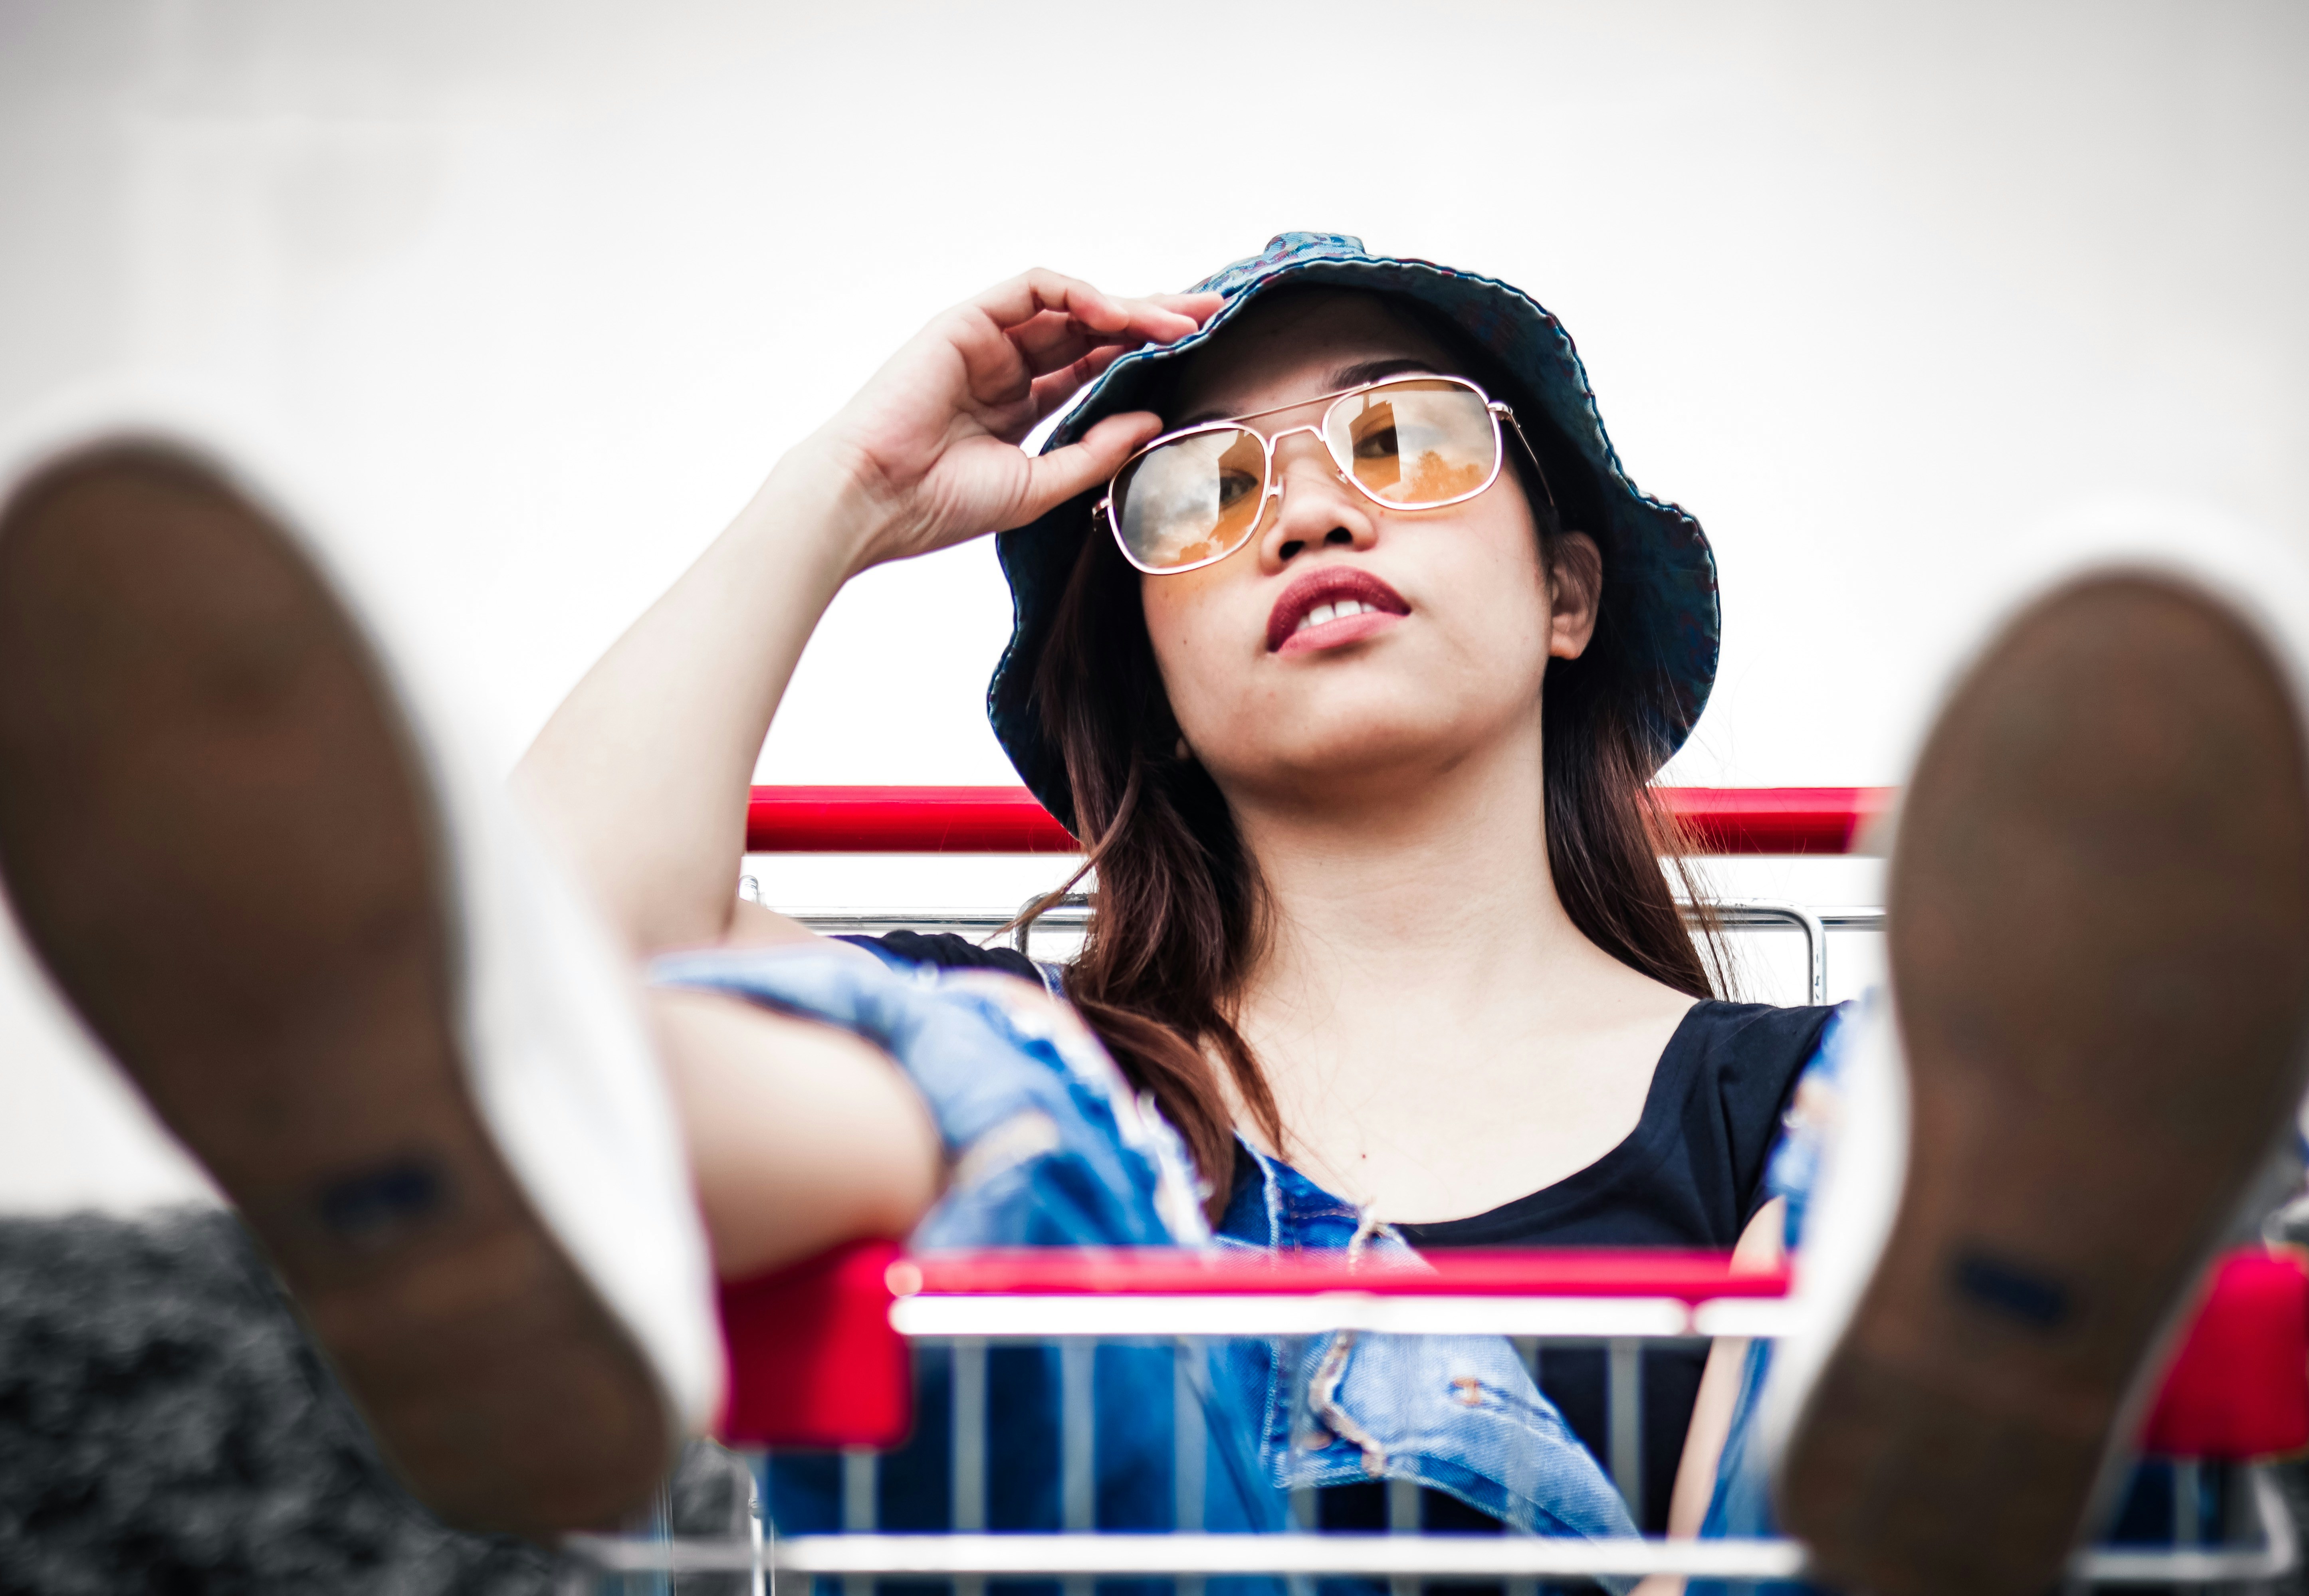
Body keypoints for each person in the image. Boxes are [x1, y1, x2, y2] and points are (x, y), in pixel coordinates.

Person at [3, 235, 2304, 1596]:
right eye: (1204, 490)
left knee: (1910, 1163)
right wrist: (848, 495)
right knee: (988, 1081)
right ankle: (445, 1127)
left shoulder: (1803, 1105)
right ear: (1149, 679)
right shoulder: (1050, 1065)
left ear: (1571, 585)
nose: (1307, 508)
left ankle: (1985, 1327)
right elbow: (614, 958)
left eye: (1402, 442)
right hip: (1105, 1434)